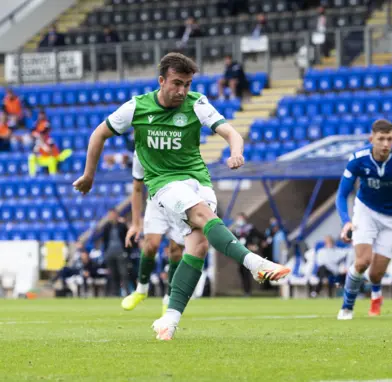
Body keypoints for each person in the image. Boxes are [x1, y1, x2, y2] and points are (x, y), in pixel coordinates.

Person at [72, 52, 290, 340]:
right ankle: (255, 264)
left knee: (198, 247)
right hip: (164, 184)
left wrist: (236, 152)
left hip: (199, 181)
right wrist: (89, 175)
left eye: (187, 84)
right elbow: (99, 134)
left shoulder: (196, 103)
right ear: (161, 81)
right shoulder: (136, 107)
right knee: (202, 216)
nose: (182, 90)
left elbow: (231, 133)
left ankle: (169, 321)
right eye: (176, 83)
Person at [335, 119, 392, 320]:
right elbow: (342, 194)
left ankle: (376, 297)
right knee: (362, 261)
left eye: (390, 139)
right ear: (371, 139)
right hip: (366, 211)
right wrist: (346, 221)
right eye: (381, 139)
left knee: (376, 274)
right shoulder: (358, 158)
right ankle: (347, 308)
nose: (386, 144)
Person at [120, 151, 205, 314]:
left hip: (181, 202)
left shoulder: (179, 141)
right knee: (151, 245)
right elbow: (137, 188)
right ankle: (141, 290)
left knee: (175, 252)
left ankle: (168, 297)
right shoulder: (141, 151)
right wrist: (136, 223)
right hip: (156, 201)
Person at [101, 209, 130, 297]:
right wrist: (105, 252)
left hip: (121, 252)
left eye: (113, 214)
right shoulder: (106, 226)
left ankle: (126, 292)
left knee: (124, 273)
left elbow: (127, 238)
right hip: (110, 253)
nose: (112, 216)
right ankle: (115, 293)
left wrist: (127, 251)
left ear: (117, 215)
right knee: (113, 274)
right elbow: (104, 240)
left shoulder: (122, 226)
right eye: (110, 215)